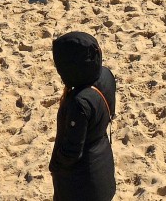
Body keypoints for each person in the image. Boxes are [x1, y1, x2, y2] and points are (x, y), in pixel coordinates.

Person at [50, 31, 117, 201]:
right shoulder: (106, 75)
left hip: (82, 181)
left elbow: (71, 153)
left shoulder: (80, 102)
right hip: (103, 161)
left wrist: (56, 165)